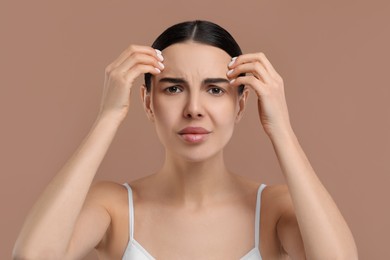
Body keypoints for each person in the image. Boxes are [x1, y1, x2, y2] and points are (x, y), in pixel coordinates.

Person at [13, 20, 358, 259]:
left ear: (241, 104)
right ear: (148, 102)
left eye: (214, 89)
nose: (194, 109)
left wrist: (280, 128)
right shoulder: (114, 207)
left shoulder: (273, 209)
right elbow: (33, 255)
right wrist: (108, 116)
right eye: (174, 88)